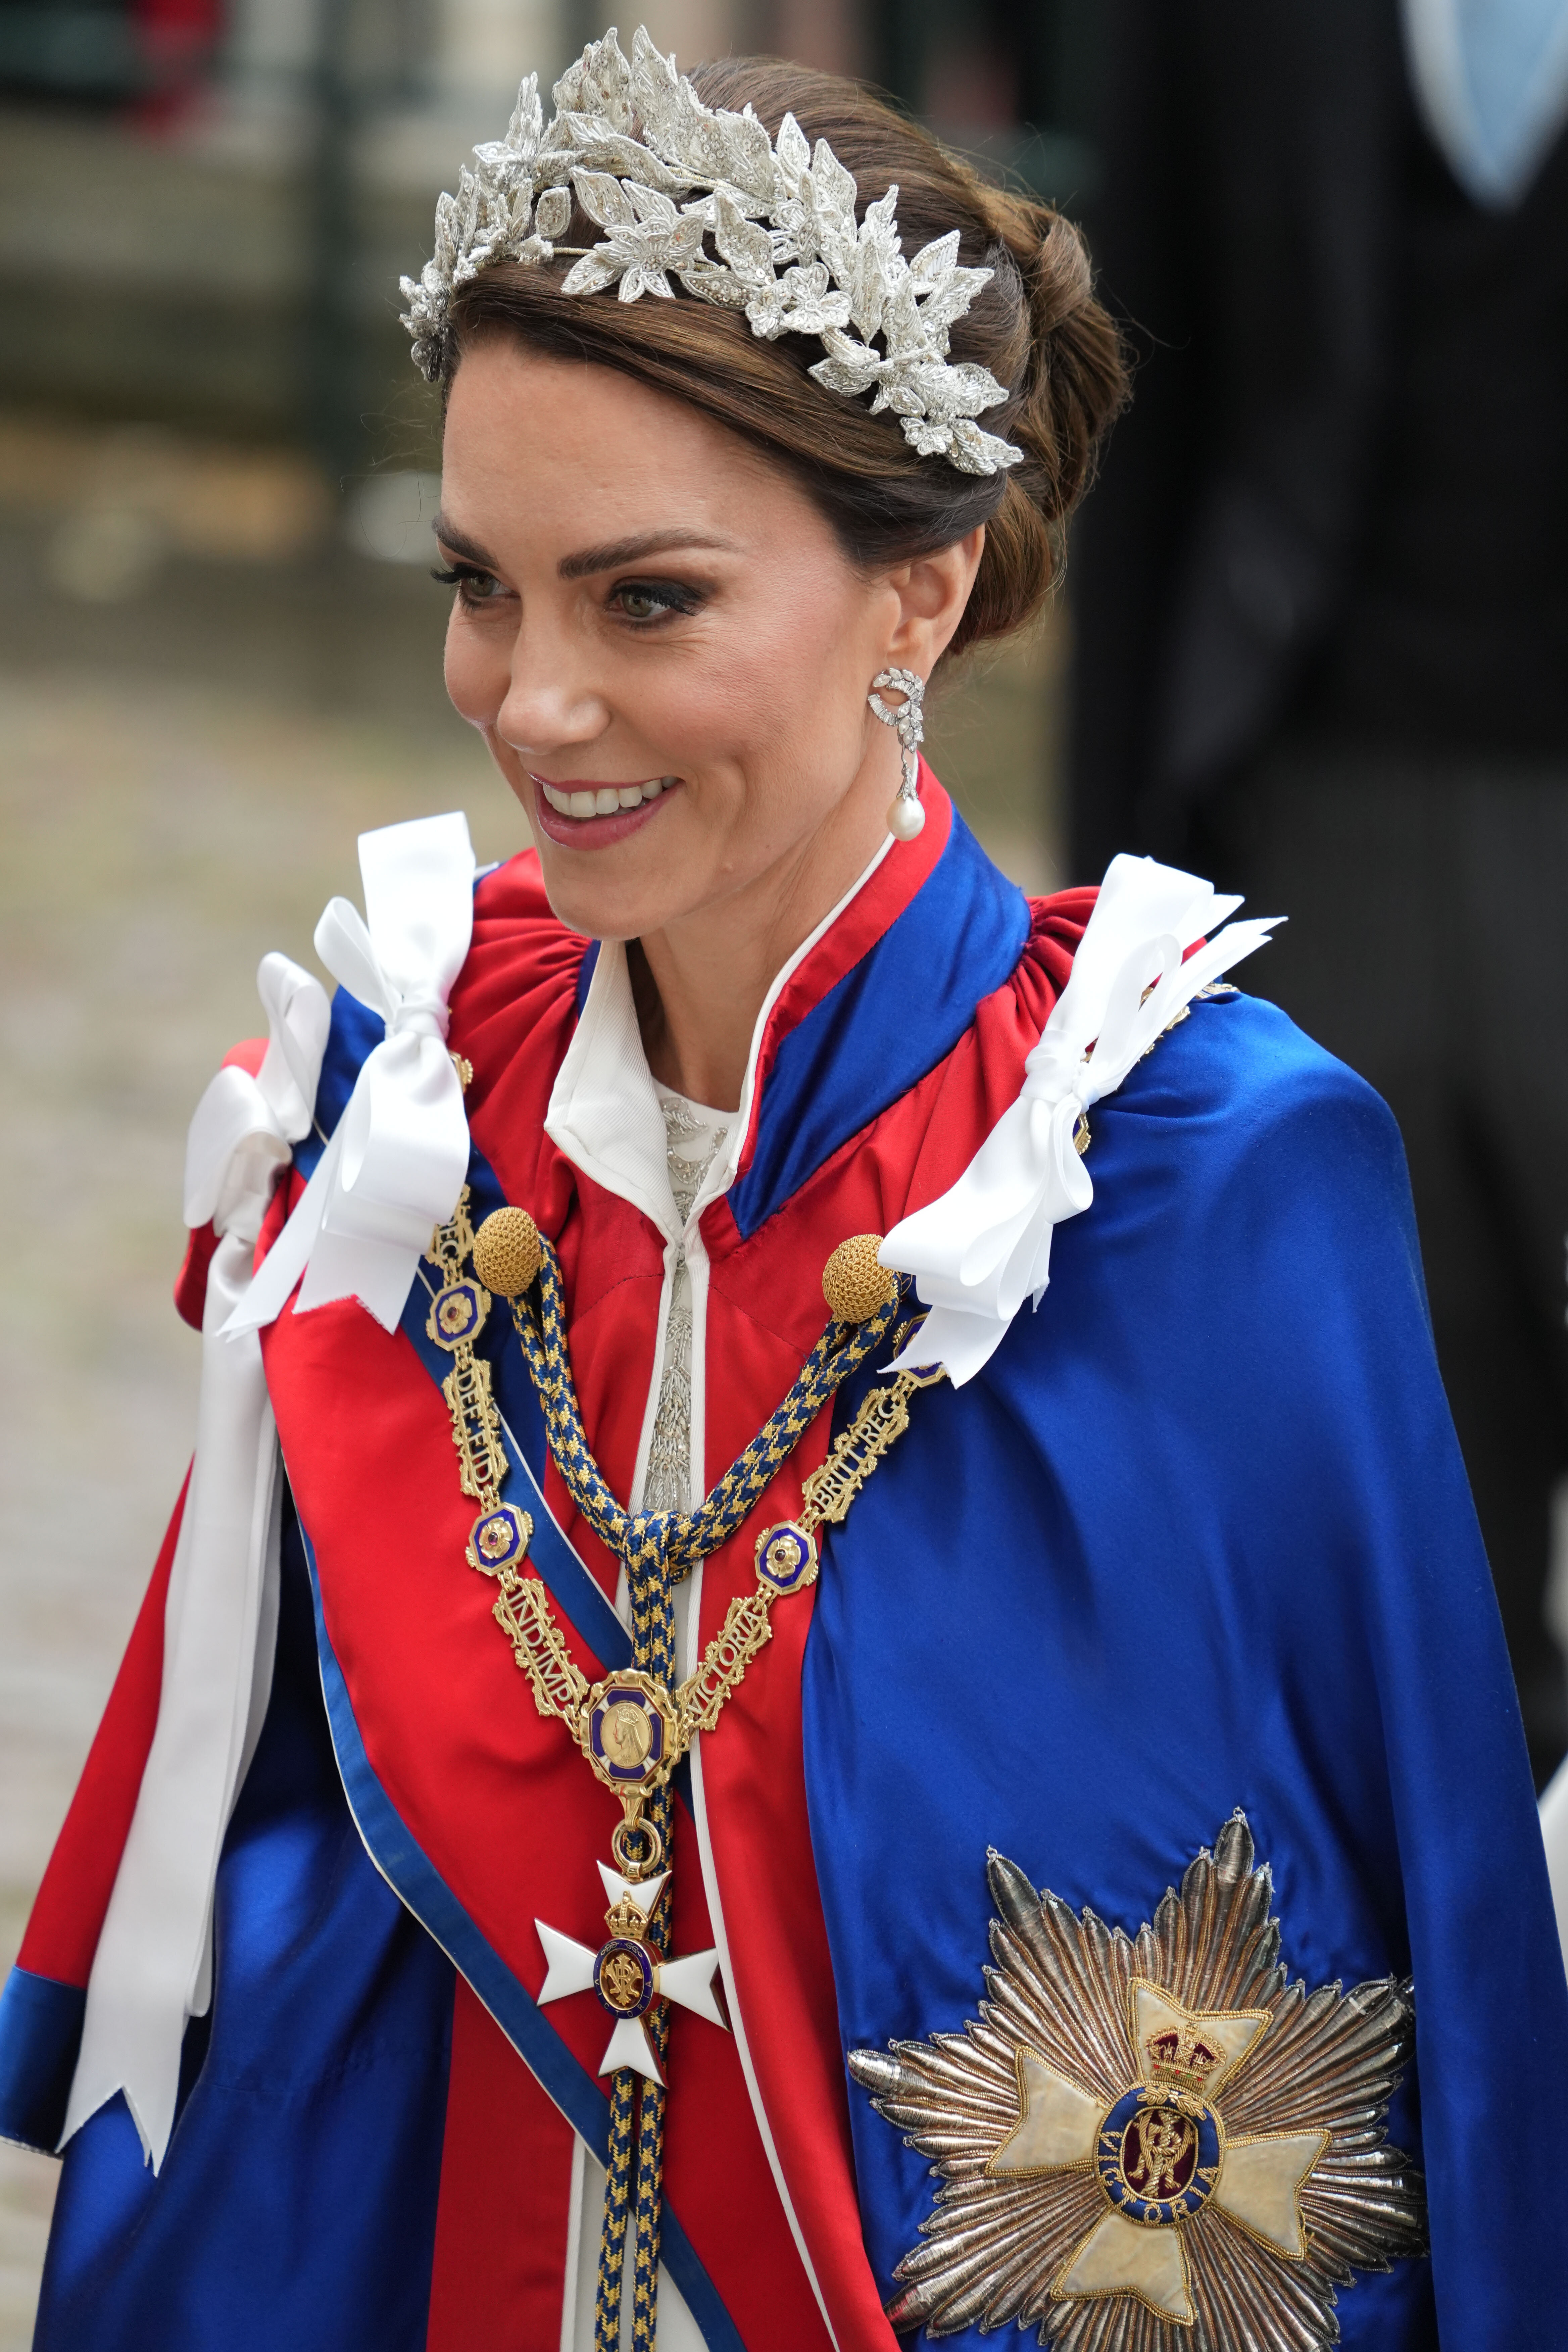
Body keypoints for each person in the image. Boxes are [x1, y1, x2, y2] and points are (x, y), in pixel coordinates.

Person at [1, 30, 1563, 2352]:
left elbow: (1413, 1988)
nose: (529, 703)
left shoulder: (1210, 1167)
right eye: (477, 585)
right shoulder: (401, 1115)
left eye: (643, 602)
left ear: (918, 598)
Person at [1067, 0, 1568, 1788]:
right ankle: (1446, 2042)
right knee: (1384, 1586)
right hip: (1320, 807)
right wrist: (1107, 932)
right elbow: (1147, 417)